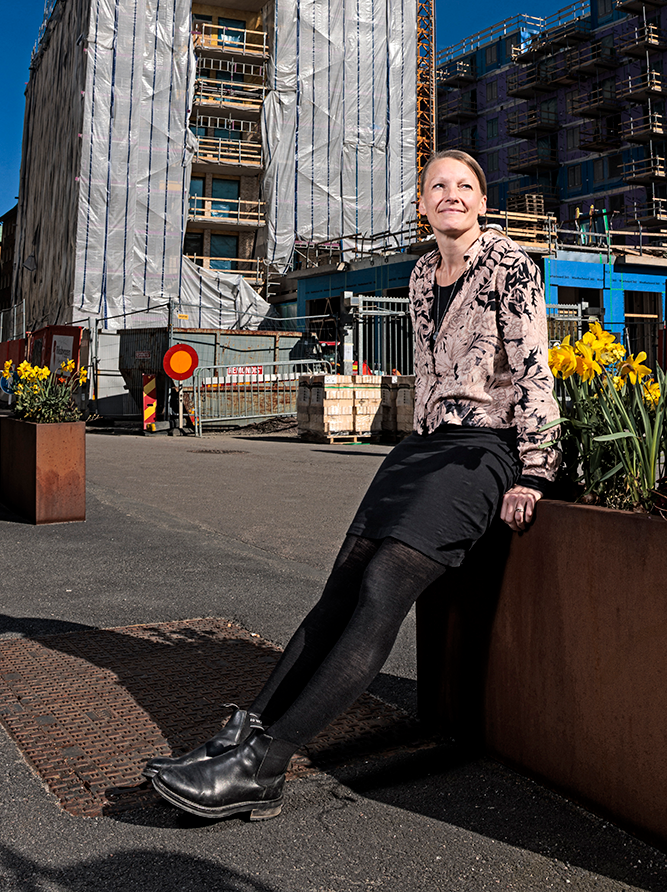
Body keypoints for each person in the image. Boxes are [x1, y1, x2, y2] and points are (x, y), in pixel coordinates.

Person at [143, 149, 561, 822]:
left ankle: (265, 765)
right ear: (422, 204)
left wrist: (534, 469)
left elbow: (535, 367)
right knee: (340, 587)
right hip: (423, 449)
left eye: (465, 185)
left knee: (382, 586)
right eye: (437, 186)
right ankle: (246, 732)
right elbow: (429, 373)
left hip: (481, 451)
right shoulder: (421, 276)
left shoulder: (512, 266)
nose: (451, 195)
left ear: (483, 202)